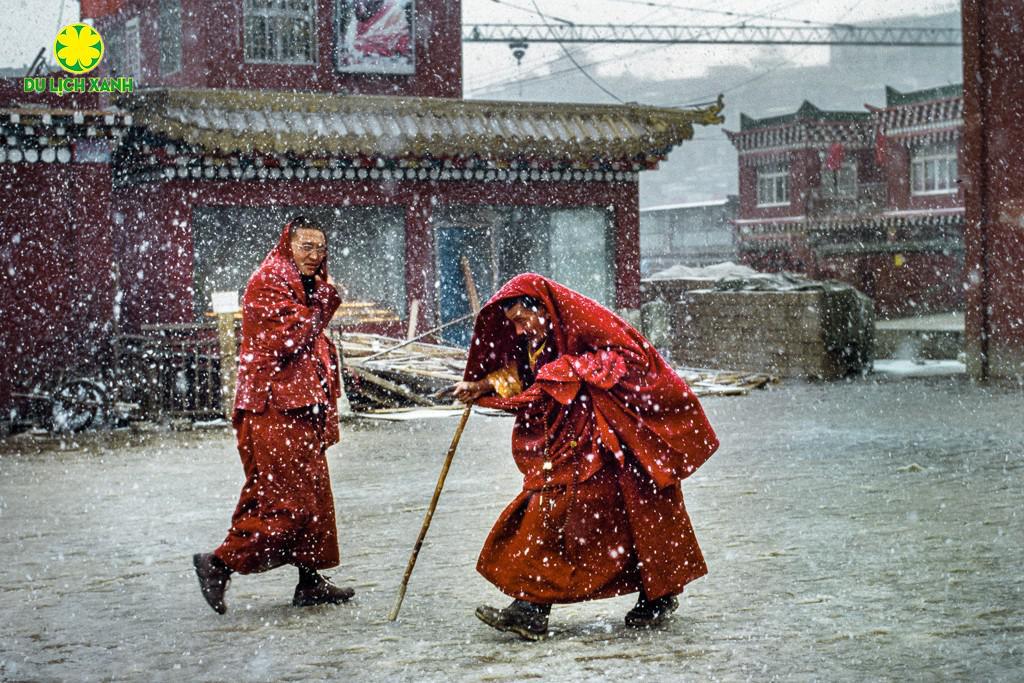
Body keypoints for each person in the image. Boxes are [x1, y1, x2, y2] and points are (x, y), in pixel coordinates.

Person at [451, 273, 718, 640]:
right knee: (569, 516)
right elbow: (528, 377)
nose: (517, 330)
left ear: (542, 307)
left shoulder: (585, 323)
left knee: (572, 513)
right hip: (573, 446)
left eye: (521, 319)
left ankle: (650, 595)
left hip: (611, 443)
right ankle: (533, 607)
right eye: (511, 323)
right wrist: (480, 387)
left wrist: (572, 371)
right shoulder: (539, 339)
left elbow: (626, 360)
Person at [193, 215, 354, 614]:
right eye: (307, 247)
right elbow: (293, 336)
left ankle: (310, 580)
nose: (316, 256)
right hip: (272, 409)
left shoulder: (304, 284)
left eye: (320, 248)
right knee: (288, 504)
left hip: (299, 409)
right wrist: (326, 300)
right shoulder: (269, 282)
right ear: (288, 245)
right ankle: (219, 563)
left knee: (312, 499)